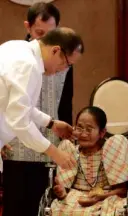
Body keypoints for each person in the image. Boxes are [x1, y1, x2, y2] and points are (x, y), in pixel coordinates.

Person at [0, 27, 84, 216]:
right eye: (67, 64)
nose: (63, 70)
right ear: (56, 50)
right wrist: (54, 152)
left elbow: (22, 106)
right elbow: (20, 121)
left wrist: (51, 123)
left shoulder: (17, 47)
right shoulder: (28, 64)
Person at [49, 106, 128, 216]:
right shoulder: (70, 152)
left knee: (116, 209)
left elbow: (122, 191)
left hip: (108, 197)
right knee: (60, 210)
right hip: (75, 199)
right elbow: (63, 194)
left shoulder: (111, 150)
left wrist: (102, 197)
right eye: (79, 128)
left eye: (89, 129)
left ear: (102, 132)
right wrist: (62, 193)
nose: (83, 134)